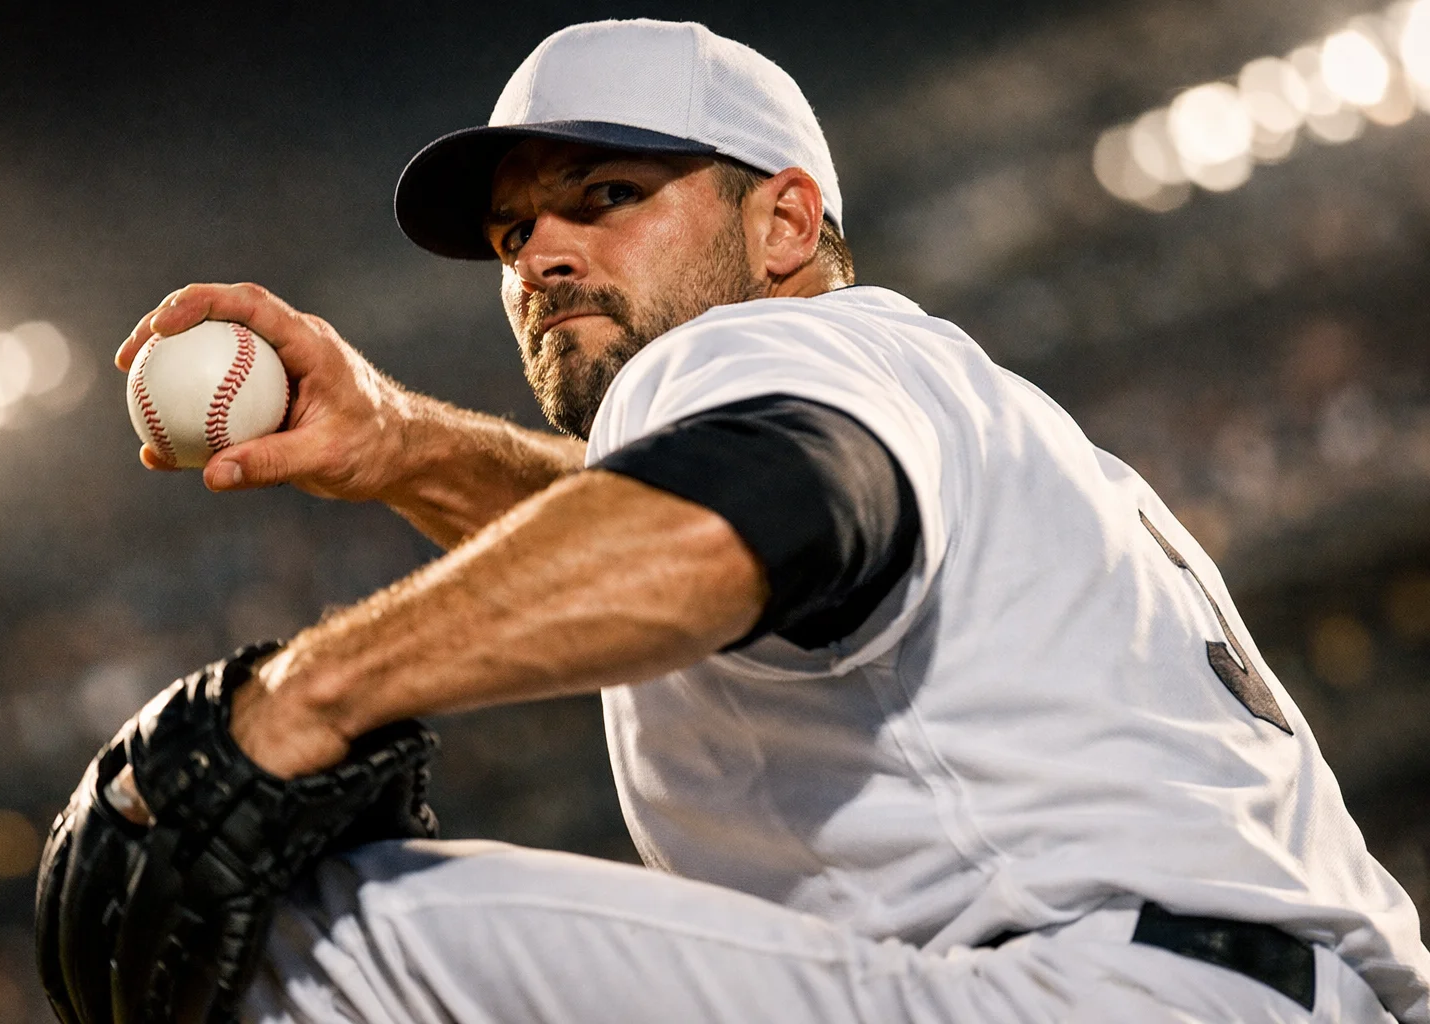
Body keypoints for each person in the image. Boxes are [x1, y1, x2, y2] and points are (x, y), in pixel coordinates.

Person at [112, 18, 1430, 1024]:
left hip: (1090, 992)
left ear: (785, 220)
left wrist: (300, 697)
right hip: (1256, 987)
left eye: (606, 196)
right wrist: (403, 445)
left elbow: (759, 510)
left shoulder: (747, 350)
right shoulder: (939, 390)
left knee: (298, 935)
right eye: (514, 234)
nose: (543, 256)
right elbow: (688, 521)